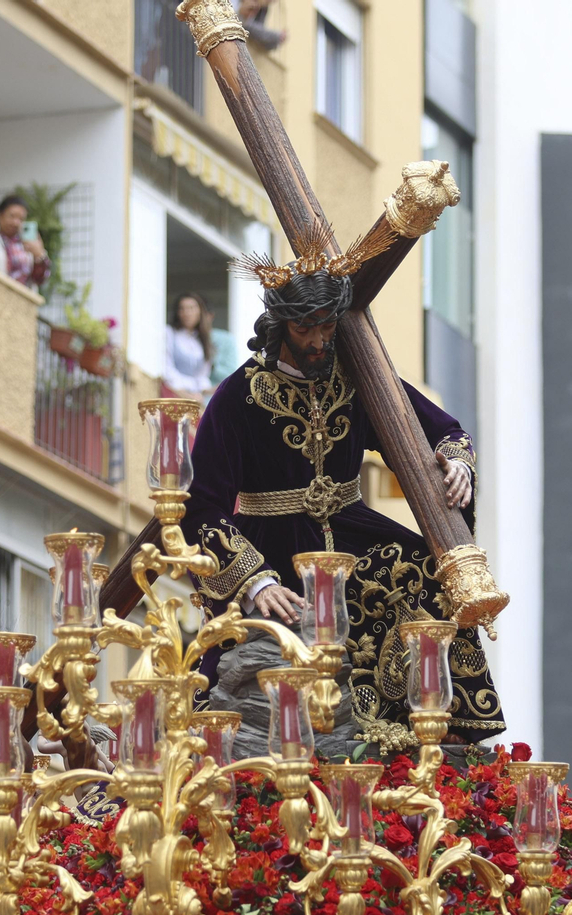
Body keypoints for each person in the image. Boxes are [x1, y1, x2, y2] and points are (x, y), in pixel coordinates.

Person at [181, 237, 505, 742]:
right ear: (279, 326)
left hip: (354, 527)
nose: (317, 341)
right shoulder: (237, 397)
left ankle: (439, 730)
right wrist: (256, 582)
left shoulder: (358, 382)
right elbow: (202, 508)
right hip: (272, 544)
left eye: (327, 326)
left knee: (421, 568)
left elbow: (439, 428)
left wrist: (457, 461)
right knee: (266, 633)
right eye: (304, 327)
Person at [0, 196, 51, 290]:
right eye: (11, 216)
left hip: (21, 301)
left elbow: (40, 280)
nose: (16, 222)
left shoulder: (27, 244)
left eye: (21, 219)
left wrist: (39, 256)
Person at [163, 293, 215, 397]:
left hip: (195, 397)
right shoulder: (169, 333)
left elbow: (202, 376)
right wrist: (186, 393)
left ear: (200, 312)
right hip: (173, 393)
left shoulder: (202, 340)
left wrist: (209, 390)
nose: (187, 313)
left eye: (191, 308)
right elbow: (167, 369)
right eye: (182, 309)